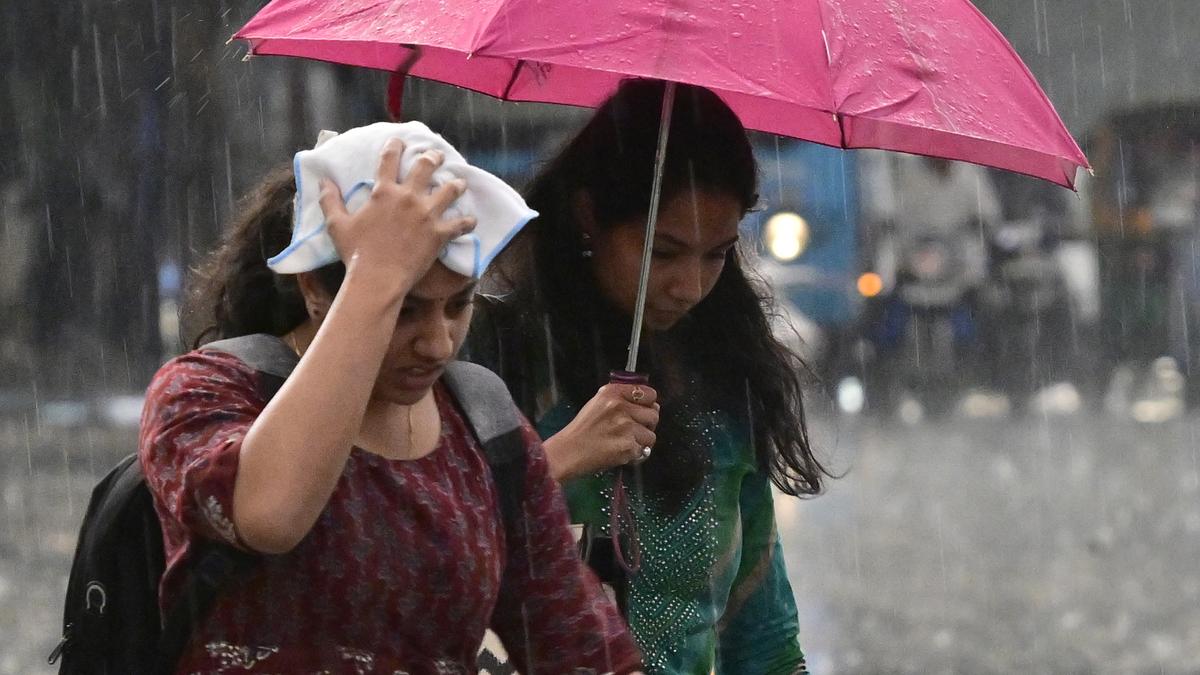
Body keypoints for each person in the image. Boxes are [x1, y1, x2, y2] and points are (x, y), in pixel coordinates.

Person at [139, 134, 642, 673]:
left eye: (458, 305)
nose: (439, 343)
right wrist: (376, 277)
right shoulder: (206, 392)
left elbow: (577, 640)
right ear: (314, 287)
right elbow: (270, 515)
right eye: (406, 310)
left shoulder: (485, 426)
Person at [468, 79, 828, 674]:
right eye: (663, 253)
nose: (689, 286)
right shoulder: (493, 361)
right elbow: (420, 553)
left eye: (715, 253)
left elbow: (762, 638)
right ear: (589, 216)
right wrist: (553, 461)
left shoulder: (727, 375)